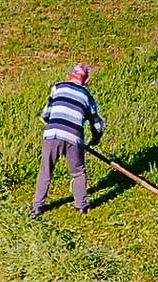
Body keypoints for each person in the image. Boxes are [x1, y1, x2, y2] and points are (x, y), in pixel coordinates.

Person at [31, 63, 105, 216]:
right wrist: (95, 139)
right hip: (74, 137)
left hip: (52, 134)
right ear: (86, 81)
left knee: (46, 170)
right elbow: (97, 125)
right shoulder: (88, 97)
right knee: (78, 172)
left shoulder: (58, 87)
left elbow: (46, 114)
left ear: (69, 76)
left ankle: (37, 207)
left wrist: (51, 123)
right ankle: (82, 207)